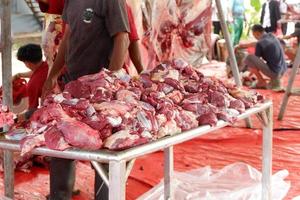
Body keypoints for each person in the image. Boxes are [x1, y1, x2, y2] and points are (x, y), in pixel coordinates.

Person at [41, 1, 130, 200]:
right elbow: (67, 38)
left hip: (98, 89)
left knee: (105, 152)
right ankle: (59, 196)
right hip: (72, 86)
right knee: (61, 146)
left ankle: (106, 197)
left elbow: (122, 38)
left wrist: (110, 81)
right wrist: (53, 75)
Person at [37, 0, 143, 75]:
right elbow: (66, 39)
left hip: (101, 79)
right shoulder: (70, 3)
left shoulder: (116, 3)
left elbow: (128, 38)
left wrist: (140, 72)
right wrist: (53, 75)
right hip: (74, 78)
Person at [236, 24, 287, 90]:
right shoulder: (271, 36)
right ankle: (268, 79)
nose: (254, 37)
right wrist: (244, 45)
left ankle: (261, 81)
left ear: (256, 33)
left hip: (275, 73)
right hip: (283, 70)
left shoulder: (260, 43)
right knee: (252, 58)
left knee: (249, 58)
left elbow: (254, 61)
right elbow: (258, 43)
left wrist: (249, 74)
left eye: (253, 35)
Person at [13, 44, 48, 120]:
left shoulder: (33, 84)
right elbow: (37, 73)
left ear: (28, 63)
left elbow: (33, 110)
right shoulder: (48, 64)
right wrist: (19, 75)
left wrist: (18, 118)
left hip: (50, 110)